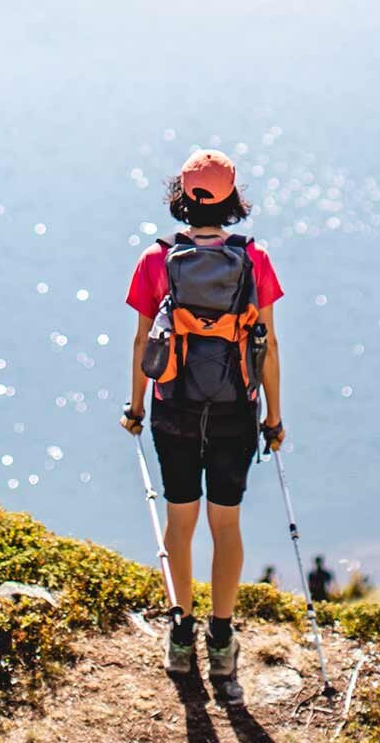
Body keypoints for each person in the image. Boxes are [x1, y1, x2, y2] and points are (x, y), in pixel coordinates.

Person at [121, 148, 284, 695]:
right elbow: (269, 344)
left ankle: (179, 634)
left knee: (180, 520)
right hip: (237, 408)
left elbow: (145, 340)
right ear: (233, 199)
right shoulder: (254, 258)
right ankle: (221, 641)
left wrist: (136, 406)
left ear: (181, 197)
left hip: (175, 408)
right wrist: (274, 418)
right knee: (226, 525)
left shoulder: (155, 260)